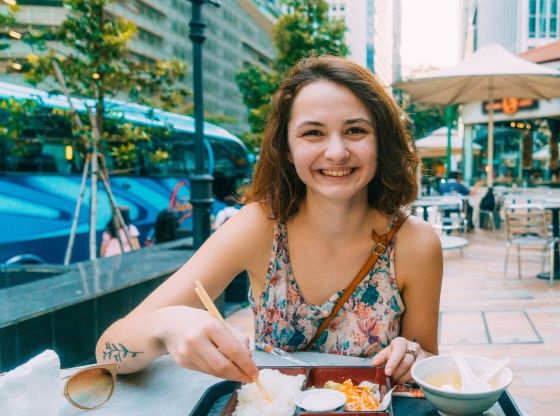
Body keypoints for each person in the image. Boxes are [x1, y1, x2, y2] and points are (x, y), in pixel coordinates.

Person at [96, 56, 443, 385]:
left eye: (355, 130)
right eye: (313, 133)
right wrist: (168, 324)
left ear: (381, 141)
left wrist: (414, 357)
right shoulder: (259, 226)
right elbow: (108, 352)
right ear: (288, 149)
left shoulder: (416, 243)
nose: (336, 151)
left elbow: (424, 363)